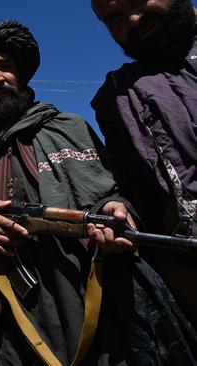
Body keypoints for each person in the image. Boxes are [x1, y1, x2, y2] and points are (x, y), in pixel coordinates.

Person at [0, 20, 197, 365]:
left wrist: (114, 208)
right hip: (17, 314)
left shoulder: (69, 127)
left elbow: (117, 189)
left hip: (95, 289)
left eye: (5, 66)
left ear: (21, 75)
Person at [91, 0, 197, 330]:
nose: (133, 19)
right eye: (114, 17)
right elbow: (150, 208)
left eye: (136, 1)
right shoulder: (119, 98)